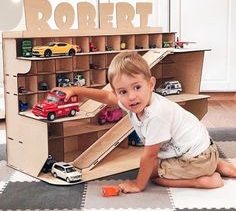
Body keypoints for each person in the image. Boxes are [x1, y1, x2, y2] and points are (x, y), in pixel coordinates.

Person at [54, 51, 236, 193]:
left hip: (195, 158)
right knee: (151, 168)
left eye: (137, 87)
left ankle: (202, 180)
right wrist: (76, 90)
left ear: (151, 84)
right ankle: (215, 164)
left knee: (154, 176)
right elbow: (106, 96)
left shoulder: (155, 115)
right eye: (123, 91)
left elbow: (149, 156)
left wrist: (138, 185)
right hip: (203, 148)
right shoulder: (139, 100)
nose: (131, 96)